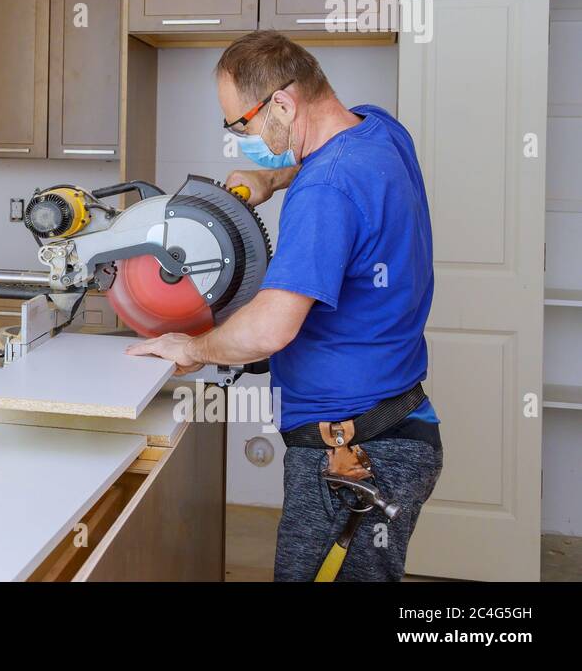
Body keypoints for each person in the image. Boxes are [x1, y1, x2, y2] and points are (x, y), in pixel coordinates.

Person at [127, 30, 442, 581]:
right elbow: (328, 153)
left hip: (352, 453)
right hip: (396, 424)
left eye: (240, 123)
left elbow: (271, 328)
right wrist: (270, 176)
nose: (238, 136)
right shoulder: (379, 130)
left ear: (282, 103)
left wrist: (192, 347)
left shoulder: (325, 191)